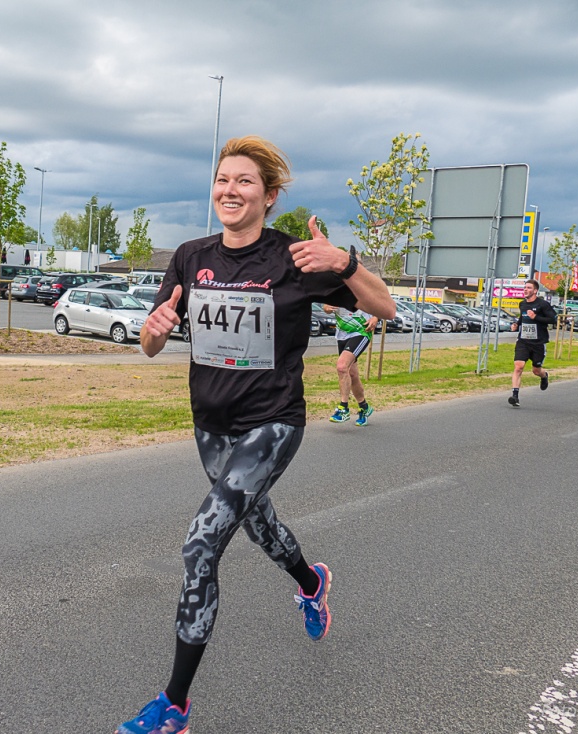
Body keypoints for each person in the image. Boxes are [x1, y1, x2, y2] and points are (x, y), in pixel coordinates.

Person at [121, 136, 396, 734]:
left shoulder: (297, 259)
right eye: (222, 179)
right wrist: (157, 327)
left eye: (244, 181)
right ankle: (312, 582)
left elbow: (387, 307)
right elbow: (150, 344)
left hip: (273, 423)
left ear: (269, 197)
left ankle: (174, 705)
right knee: (258, 525)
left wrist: (345, 263)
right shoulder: (191, 256)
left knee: (200, 544)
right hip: (211, 425)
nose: (229, 190)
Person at [324, 305, 378, 426]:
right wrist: (327, 308)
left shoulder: (362, 285)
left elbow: (380, 302)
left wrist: (376, 317)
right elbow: (325, 307)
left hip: (361, 330)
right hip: (342, 334)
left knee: (342, 367)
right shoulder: (334, 287)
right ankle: (364, 407)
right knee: (352, 374)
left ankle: (343, 408)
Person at [507, 279, 556, 407]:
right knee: (518, 366)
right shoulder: (522, 304)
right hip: (523, 341)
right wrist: (517, 325)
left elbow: (553, 319)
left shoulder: (543, 304)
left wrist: (536, 318)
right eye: (525, 288)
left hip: (538, 343)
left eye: (529, 288)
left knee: (536, 370)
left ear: (535, 291)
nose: (525, 290)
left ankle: (544, 376)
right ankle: (515, 396)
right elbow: (523, 317)